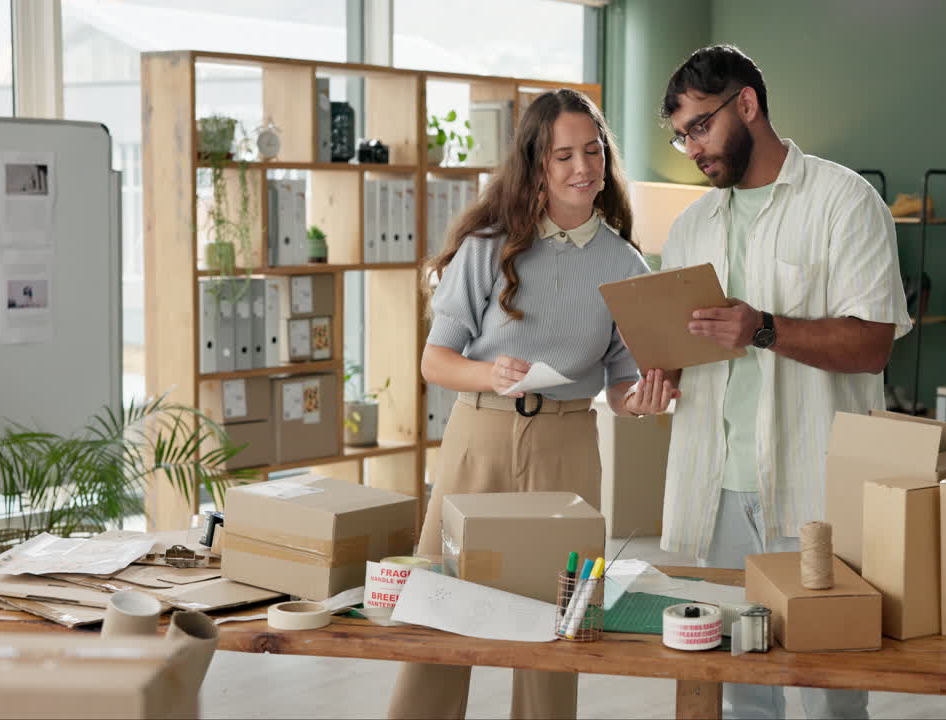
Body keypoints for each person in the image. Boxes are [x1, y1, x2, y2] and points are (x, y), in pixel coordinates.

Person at [386, 89, 677, 720]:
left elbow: (621, 384)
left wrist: (641, 401)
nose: (583, 168)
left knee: (559, 619)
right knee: (439, 607)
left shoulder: (624, 261)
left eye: (593, 152)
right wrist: (488, 373)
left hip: (568, 448)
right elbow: (435, 361)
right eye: (563, 155)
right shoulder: (488, 245)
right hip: (481, 438)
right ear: (536, 164)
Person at [656, 45, 912, 720]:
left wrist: (763, 328)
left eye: (700, 126)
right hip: (715, 492)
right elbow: (682, 355)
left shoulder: (844, 202)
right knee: (740, 692)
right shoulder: (690, 227)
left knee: (830, 692)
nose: (692, 149)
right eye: (681, 136)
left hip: (814, 492)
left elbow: (873, 345)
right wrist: (658, 371)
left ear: (746, 103)